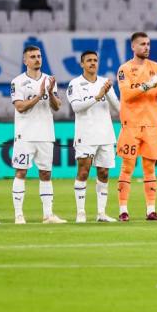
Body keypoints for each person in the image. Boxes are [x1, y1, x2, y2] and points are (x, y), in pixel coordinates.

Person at [10, 46, 66, 224]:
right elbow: (19, 106)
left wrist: (49, 93)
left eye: (39, 56)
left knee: (46, 174)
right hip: (25, 135)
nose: (37, 59)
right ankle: (19, 215)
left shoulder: (50, 80)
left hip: (45, 134)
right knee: (21, 172)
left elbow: (57, 107)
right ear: (25, 61)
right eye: (32, 57)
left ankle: (48, 215)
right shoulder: (17, 82)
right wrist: (38, 96)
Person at [115, 32, 157, 221]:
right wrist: (147, 85)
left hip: (152, 124)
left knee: (150, 167)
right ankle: (123, 210)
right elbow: (127, 95)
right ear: (133, 47)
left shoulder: (156, 67)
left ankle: (151, 210)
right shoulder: (124, 69)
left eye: (148, 44)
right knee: (127, 166)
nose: (146, 47)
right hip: (131, 124)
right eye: (142, 44)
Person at [66, 50, 120, 223]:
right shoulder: (75, 84)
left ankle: (101, 213)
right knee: (83, 171)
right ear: (82, 64)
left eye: (95, 60)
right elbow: (76, 108)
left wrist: (109, 92)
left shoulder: (105, 82)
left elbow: (118, 108)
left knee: (104, 173)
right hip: (86, 135)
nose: (92, 63)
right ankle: (81, 212)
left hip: (105, 134)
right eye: (88, 60)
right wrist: (97, 96)